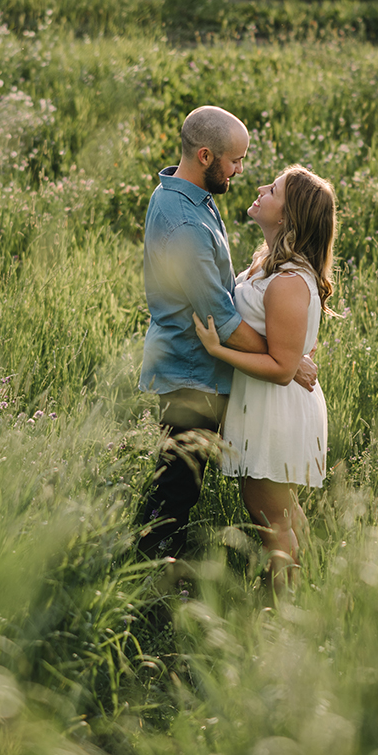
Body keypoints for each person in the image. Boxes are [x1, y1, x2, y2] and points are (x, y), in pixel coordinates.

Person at [136, 107, 317, 562]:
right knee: (175, 492)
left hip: (199, 371)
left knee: (183, 484)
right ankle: (148, 579)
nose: (241, 170)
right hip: (190, 375)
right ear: (204, 156)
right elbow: (221, 320)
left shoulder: (190, 196)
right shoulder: (188, 226)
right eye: (235, 160)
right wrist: (286, 362)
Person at [193, 164, 336, 591]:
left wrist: (218, 348)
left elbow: (281, 369)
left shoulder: (290, 281)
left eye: (272, 189)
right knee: (280, 507)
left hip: (278, 409)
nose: (259, 188)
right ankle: (309, 583)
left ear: (287, 217)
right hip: (267, 405)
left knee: (268, 510)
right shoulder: (270, 263)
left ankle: (283, 603)